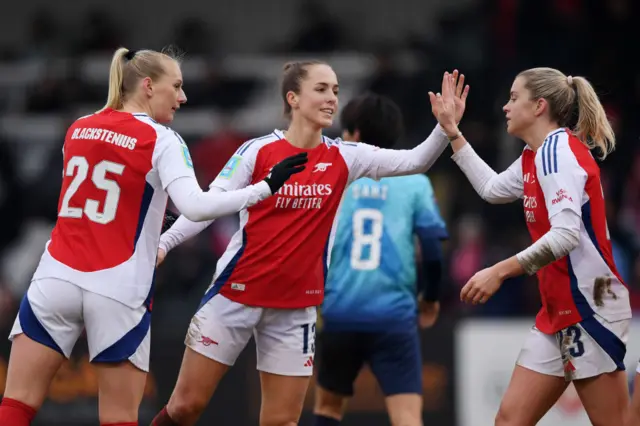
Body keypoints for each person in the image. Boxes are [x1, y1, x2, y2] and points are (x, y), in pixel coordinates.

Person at [0, 47, 306, 426]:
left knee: (16, 405)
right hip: (116, 288)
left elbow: (107, 196)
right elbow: (194, 206)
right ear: (147, 86)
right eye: (176, 86)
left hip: (54, 278)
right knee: (119, 418)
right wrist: (265, 188)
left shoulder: (78, 126)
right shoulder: (162, 139)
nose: (183, 97)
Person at [150, 66, 468, 426]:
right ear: (293, 98)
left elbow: (416, 160)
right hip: (235, 297)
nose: (333, 97)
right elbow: (207, 207)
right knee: (184, 407)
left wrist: (446, 127)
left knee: (282, 421)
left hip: (296, 310)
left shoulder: (346, 156)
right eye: (321, 89)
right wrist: (164, 243)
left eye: (335, 89)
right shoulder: (257, 151)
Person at [432, 67, 630, 426]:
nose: (505, 107)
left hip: (590, 309)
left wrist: (499, 271)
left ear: (539, 106)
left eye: (513, 98)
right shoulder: (535, 154)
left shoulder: (557, 152)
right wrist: (452, 132)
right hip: (558, 310)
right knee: (509, 421)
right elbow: (492, 189)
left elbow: (565, 234)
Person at [312, 92, 453, 426]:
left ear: (355, 134)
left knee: (328, 409)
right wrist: (430, 298)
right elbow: (432, 249)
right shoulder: (414, 182)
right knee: (406, 417)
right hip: (394, 316)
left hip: (339, 312)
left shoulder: (336, 176)